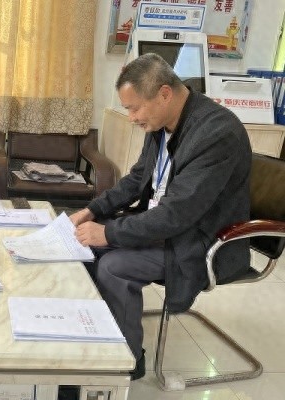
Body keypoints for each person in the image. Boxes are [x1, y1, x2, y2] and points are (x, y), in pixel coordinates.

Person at [69, 53, 251, 380]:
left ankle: (126, 363)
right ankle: (98, 339)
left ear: (164, 94)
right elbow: (138, 179)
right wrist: (92, 210)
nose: (131, 118)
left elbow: (177, 213)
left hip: (201, 240)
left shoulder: (217, 132)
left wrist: (108, 233)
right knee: (83, 245)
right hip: (166, 226)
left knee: (114, 266)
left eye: (134, 108)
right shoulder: (162, 123)